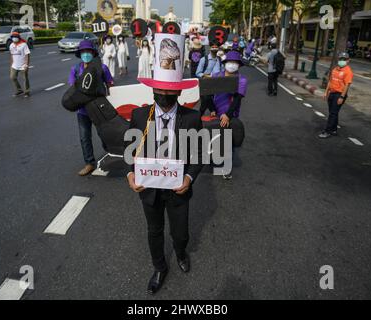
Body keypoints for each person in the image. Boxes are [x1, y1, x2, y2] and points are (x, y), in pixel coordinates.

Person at [127, 33, 203, 295]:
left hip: (178, 189)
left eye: (169, 91)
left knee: (180, 234)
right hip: (149, 190)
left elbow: (199, 156)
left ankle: (181, 253)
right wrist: (130, 174)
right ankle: (159, 267)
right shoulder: (139, 115)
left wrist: (189, 179)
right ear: (152, 89)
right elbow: (131, 152)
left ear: (178, 91)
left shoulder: (192, 119)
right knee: (154, 230)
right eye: (159, 90)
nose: (164, 95)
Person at [68, 40, 114, 175]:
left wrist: (114, 103)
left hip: (100, 109)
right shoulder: (75, 69)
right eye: (83, 52)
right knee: (84, 137)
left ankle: (112, 155)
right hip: (83, 110)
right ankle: (89, 163)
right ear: (80, 54)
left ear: (93, 53)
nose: (86, 54)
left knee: (105, 134)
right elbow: (73, 88)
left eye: (88, 52)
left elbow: (110, 85)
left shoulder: (103, 68)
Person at [211, 50, 248, 180]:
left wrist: (227, 115)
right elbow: (209, 94)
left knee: (228, 141)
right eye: (229, 62)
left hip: (231, 114)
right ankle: (215, 160)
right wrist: (211, 108)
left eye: (235, 63)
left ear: (239, 65)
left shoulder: (241, 80)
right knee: (216, 137)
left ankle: (226, 168)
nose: (232, 64)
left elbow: (237, 99)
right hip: (216, 113)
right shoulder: (216, 76)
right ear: (225, 63)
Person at [319, 52, 353, 139]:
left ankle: (327, 131)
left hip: (339, 94)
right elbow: (330, 81)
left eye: (344, 59)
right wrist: (326, 92)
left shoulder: (348, 71)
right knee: (333, 112)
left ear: (348, 61)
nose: (342, 61)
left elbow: (347, 85)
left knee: (333, 113)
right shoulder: (335, 69)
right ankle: (334, 129)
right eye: (341, 59)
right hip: (332, 93)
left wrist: (342, 97)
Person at [196, 42, 223, 115]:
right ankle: (208, 112)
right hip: (205, 84)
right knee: (205, 99)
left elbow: (222, 72)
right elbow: (198, 73)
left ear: (218, 49)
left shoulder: (220, 60)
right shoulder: (204, 59)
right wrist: (208, 76)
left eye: (216, 47)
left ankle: (213, 112)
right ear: (210, 48)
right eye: (213, 47)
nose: (214, 48)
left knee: (215, 102)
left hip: (216, 85)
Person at [9, 32, 31, 98]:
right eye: (13, 37)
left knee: (25, 79)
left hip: (23, 65)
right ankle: (19, 90)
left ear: (18, 37)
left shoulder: (24, 45)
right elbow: (12, 54)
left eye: (16, 37)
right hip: (14, 65)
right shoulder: (11, 45)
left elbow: (27, 55)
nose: (14, 38)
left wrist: (26, 64)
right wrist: (11, 63)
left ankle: (26, 92)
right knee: (12, 77)